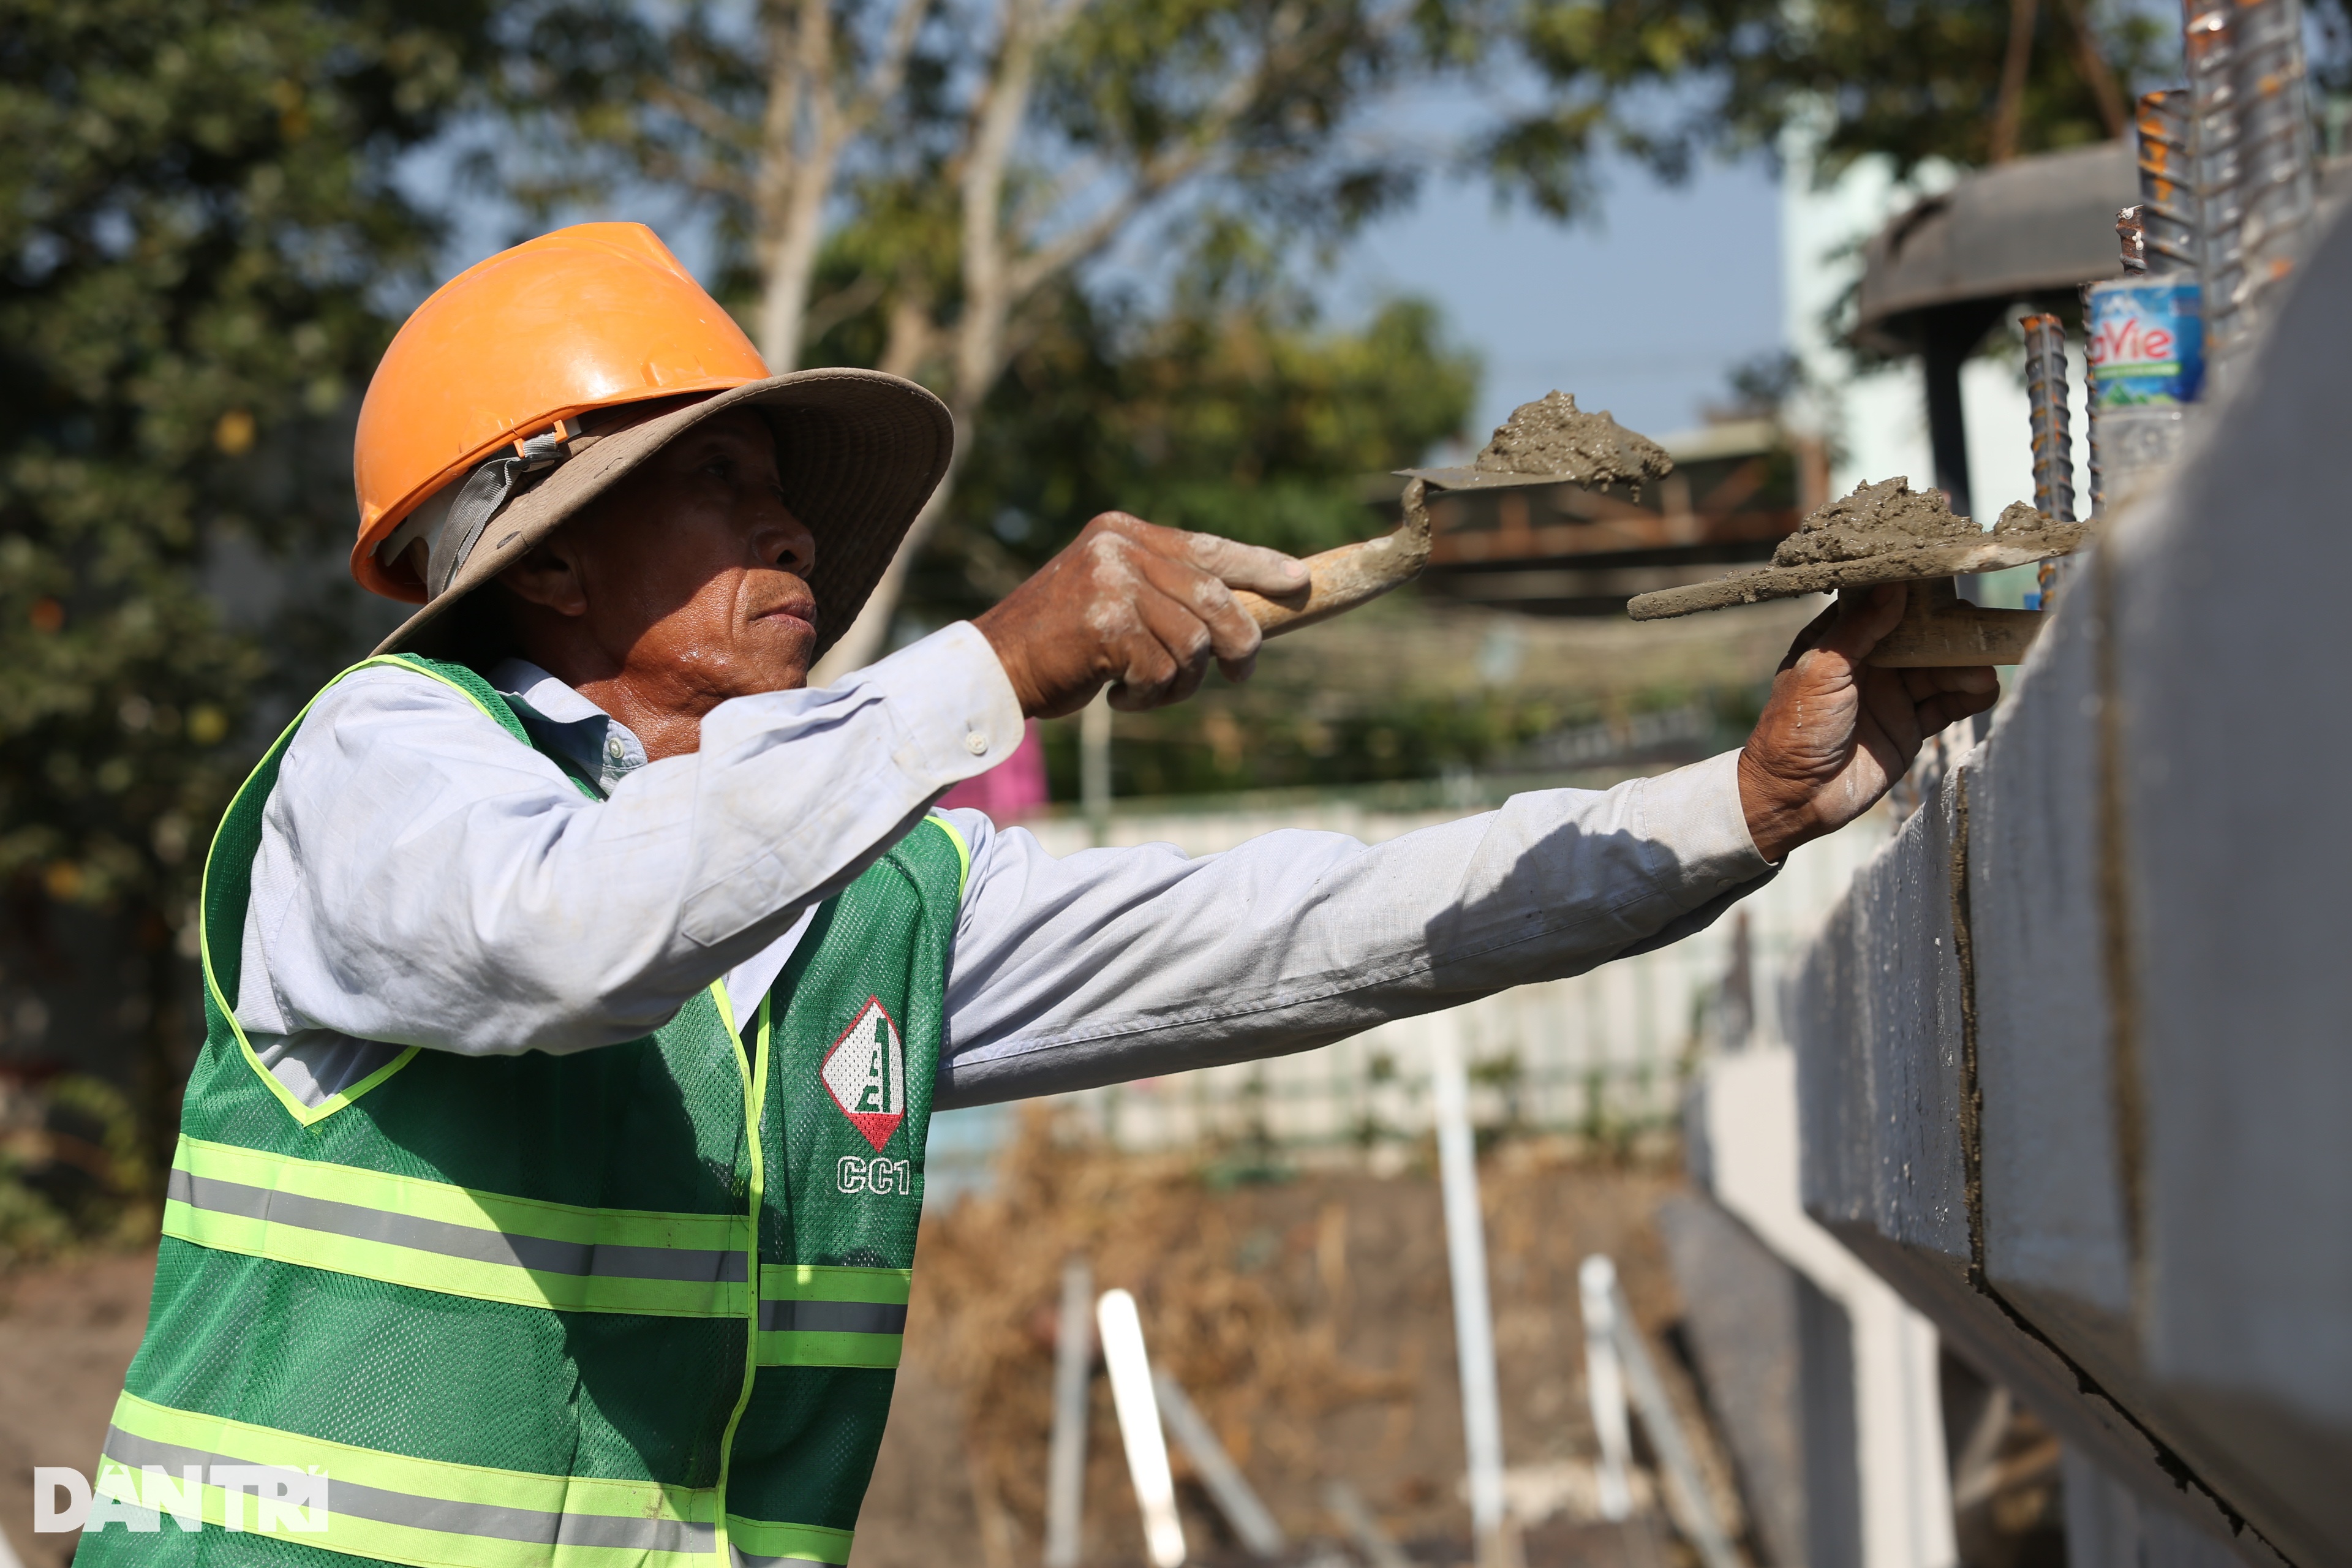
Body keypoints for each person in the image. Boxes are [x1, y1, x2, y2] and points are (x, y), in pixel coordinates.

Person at [81, 224, 1995, 1568]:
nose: (790, 528)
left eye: (785, 492)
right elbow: (562, 936)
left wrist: (1734, 807)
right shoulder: (386, 765)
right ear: (552, 566)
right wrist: (987, 666)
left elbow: (1297, 929)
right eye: (720, 481)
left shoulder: (869, 889)